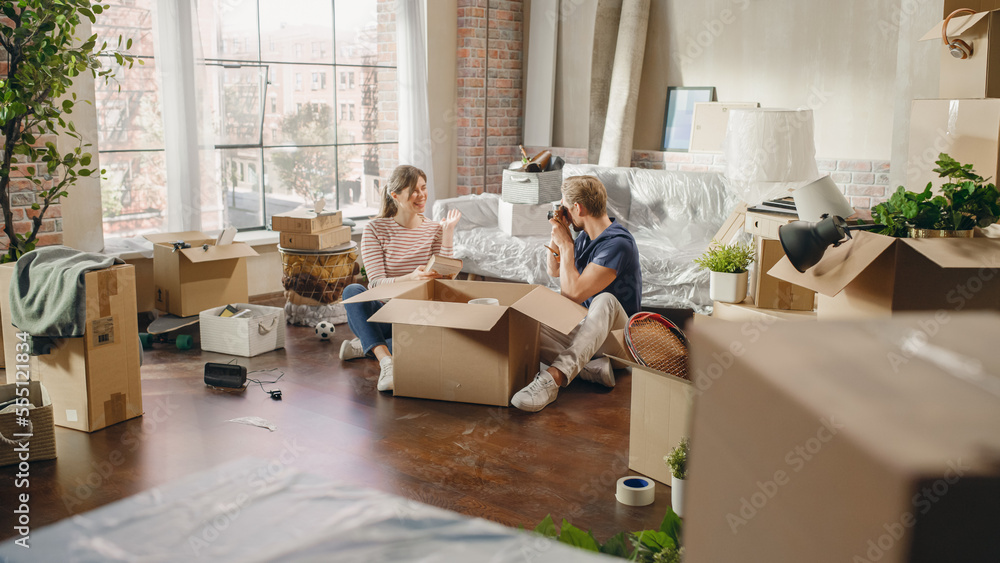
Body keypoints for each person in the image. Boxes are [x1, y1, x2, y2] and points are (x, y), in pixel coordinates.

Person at [511, 175, 641, 412]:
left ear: (577, 208)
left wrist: (567, 246)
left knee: (605, 300)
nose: (564, 212)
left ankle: (553, 379)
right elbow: (554, 270)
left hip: (620, 341)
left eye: (565, 207)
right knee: (522, 318)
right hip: (588, 335)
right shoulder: (584, 239)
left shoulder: (618, 243)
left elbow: (572, 295)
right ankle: (589, 368)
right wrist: (557, 233)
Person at [339, 165, 461, 392]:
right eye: (413, 190)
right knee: (352, 291)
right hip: (384, 315)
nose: (421, 195)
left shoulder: (434, 229)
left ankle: (365, 345)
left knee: (435, 344)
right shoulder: (375, 229)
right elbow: (375, 284)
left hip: (417, 315)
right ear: (395, 195)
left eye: (424, 188)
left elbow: (445, 276)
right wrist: (410, 278)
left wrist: (448, 233)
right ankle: (387, 362)